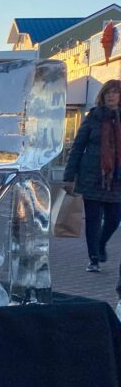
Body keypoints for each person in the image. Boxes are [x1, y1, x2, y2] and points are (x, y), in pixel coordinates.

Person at [64, 79, 121, 272]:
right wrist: (69, 176)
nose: (111, 96)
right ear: (103, 96)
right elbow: (78, 146)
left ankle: (101, 244)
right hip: (91, 177)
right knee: (93, 220)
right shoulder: (93, 117)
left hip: (116, 179)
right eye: (108, 93)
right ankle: (94, 258)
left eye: (115, 92)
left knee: (114, 219)